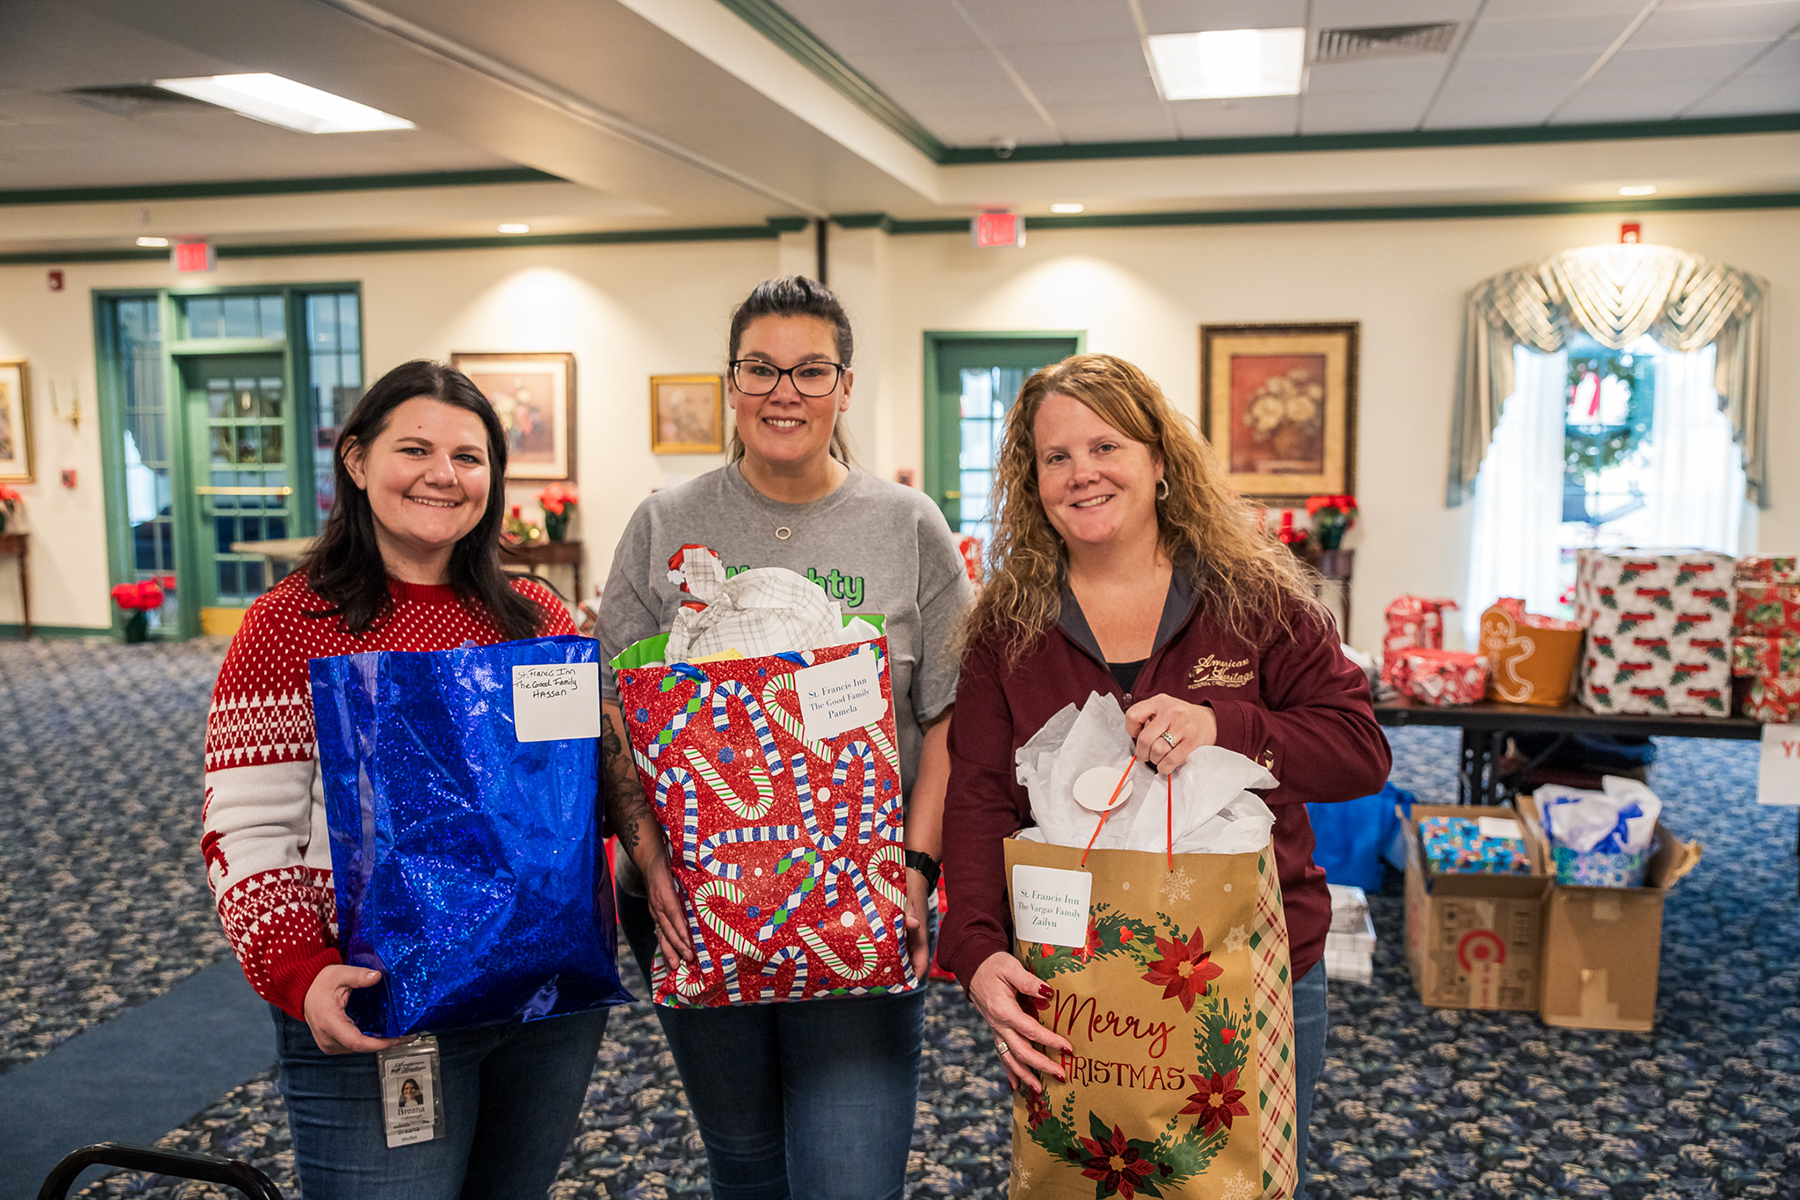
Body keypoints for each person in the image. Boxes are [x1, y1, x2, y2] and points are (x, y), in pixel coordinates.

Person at [936, 353, 1391, 1199]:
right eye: (1056, 457)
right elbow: (978, 799)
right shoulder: (1009, 625)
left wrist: (1229, 727)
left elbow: (1359, 750)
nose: (1083, 474)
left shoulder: (1252, 595)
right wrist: (974, 951)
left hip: (1255, 970)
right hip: (1075, 980)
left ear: (1157, 459)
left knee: (1234, 1185)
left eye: (1105, 446)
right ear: (1031, 480)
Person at [201, 360, 628, 1199]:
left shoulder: (536, 618)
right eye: (415, 449)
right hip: (377, 1001)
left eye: (469, 457)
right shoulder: (294, 621)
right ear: (357, 461)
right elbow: (244, 829)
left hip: (543, 997)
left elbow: (573, 805)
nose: (444, 475)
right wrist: (299, 969)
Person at [597, 276, 972, 1200]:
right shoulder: (663, 524)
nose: (784, 393)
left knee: (849, 1176)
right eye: (760, 368)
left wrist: (916, 872)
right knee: (747, 1164)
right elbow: (612, 719)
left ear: (846, 388)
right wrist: (648, 863)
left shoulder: (908, 527)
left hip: (860, 904)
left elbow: (947, 717)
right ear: (730, 383)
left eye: (811, 371)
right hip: (692, 905)